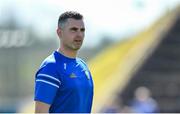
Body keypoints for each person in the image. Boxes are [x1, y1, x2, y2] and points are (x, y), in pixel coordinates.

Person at [34, 11, 94, 113]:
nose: (79, 34)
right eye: (73, 30)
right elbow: (40, 112)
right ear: (59, 33)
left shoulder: (83, 66)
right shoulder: (51, 67)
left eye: (82, 30)